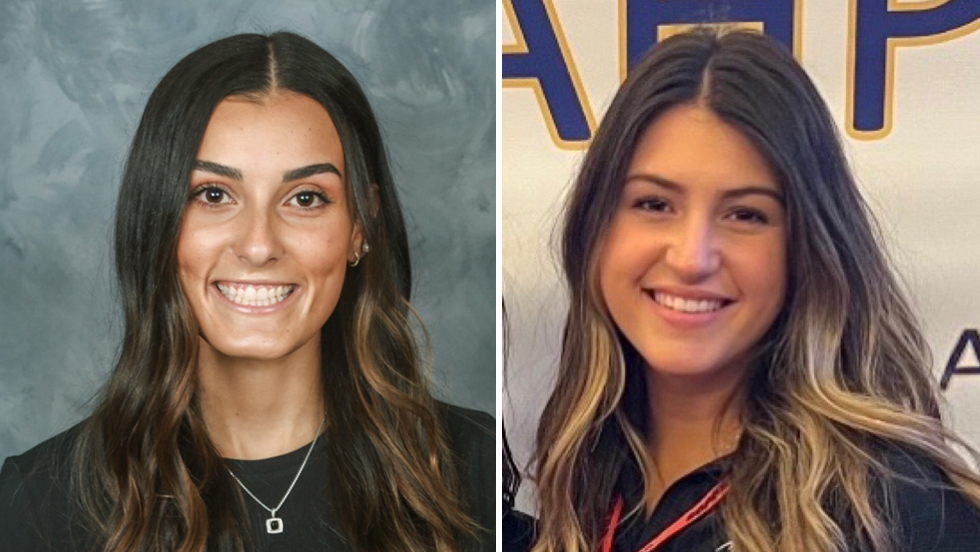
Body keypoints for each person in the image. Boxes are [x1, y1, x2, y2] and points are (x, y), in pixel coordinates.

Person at [0, 32, 493, 552]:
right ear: (156, 220)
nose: (258, 245)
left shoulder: (475, 471)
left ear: (360, 227)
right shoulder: (33, 507)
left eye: (305, 198)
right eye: (213, 195)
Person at [521, 29, 980, 552]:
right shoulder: (587, 482)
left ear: (808, 247)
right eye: (654, 204)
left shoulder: (897, 511)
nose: (692, 257)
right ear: (594, 227)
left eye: (746, 214)